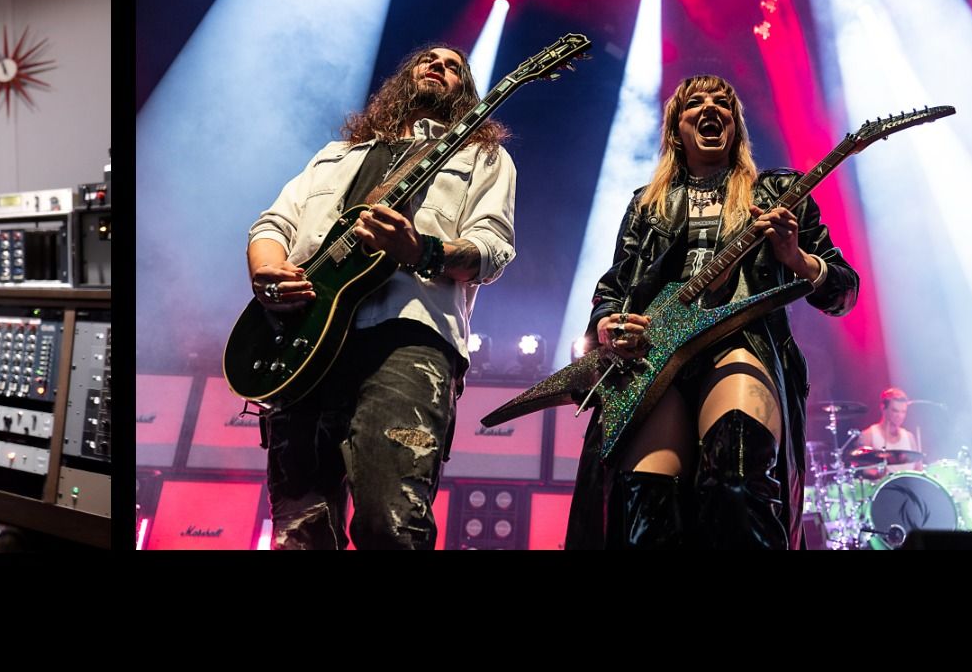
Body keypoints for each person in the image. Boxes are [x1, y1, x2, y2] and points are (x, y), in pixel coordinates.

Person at [569, 73, 859, 548]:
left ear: (735, 125)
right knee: (646, 502)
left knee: (738, 477)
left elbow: (843, 292)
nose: (710, 108)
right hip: (657, 358)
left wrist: (796, 258)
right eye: (695, 103)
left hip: (739, 345)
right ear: (675, 129)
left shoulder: (778, 192)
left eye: (722, 102)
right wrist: (610, 322)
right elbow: (614, 288)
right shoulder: (647, 206)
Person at [247, 44, 517, 549]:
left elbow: (493, 249)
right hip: (305, 343)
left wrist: (423, 250)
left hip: (408, 338)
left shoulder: (484, 157)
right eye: (428, 60)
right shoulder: (335, 156)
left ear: (466, 92)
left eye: (454, 67)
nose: (439, 66)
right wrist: (266, 272)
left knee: (391, 523)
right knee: (299, 532)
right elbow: (273, 223)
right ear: (404, 77)